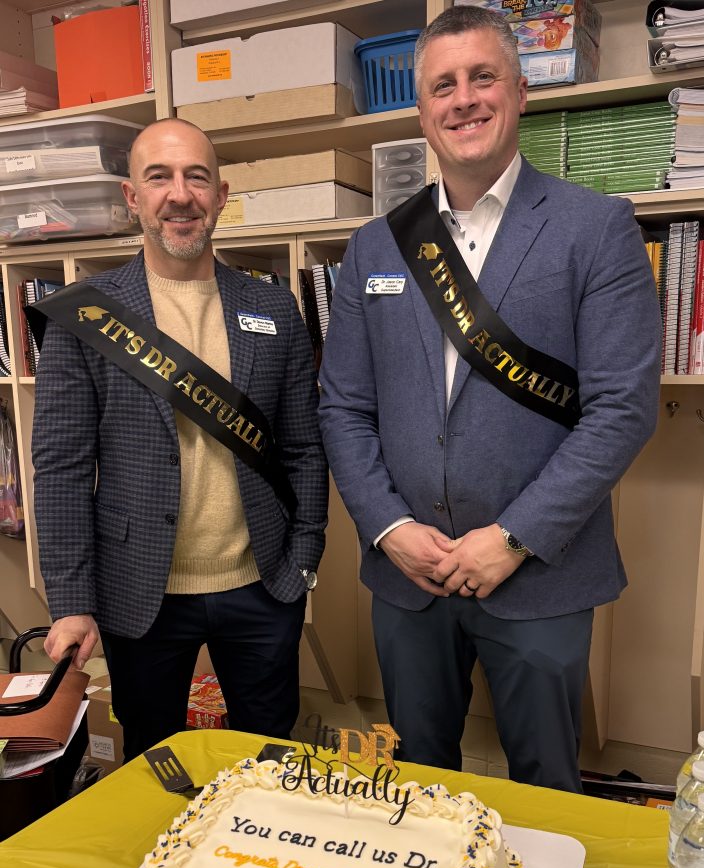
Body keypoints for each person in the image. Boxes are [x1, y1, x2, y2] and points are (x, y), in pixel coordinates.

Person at [318, 6, 662, 791]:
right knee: (418, 788)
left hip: (539, 574)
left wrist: (511, 539)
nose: (464, 99)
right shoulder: (374, 245)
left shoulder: (596, 228)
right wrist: (389, 528)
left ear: (520, 91)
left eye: (483, 78)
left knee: (546, 788)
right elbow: (343, 407)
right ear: (422, 111)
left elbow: (621, 410)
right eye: (443, 85)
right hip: (409, 576)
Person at [32, 118, 328, 761]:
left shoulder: (273, 308)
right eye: (158, 177)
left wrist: (304, 558)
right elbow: (60, 470)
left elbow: (304, 448)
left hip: (262, 584)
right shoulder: (86, 314)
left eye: (197, 176)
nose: (180, 194)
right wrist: (72, 602)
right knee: (154, 761)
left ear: (220, 195)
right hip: (139, 592)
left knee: (268, 758)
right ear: (132, 196)